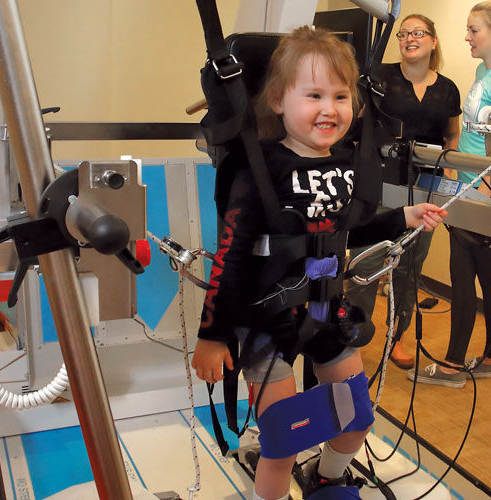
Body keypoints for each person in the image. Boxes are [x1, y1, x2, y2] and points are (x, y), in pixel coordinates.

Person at [191, 27, 447, 500]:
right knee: (284, 440)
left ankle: (328, 478)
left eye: (340, 96)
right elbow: (230, 259)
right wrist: (213, 335)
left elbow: (348, 230)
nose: (329, 109)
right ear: (276, 100)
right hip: (266, 320)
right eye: (313, 94)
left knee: (355, 421)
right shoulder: (258, 172)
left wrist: (403, 217)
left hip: (326, 313)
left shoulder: (346, 168)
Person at [344, 13, 462, 370]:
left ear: (433, 41)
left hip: (424, 187)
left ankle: (397, 339)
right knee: (366, 261)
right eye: (404, 34)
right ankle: (351, 334)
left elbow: (451, 136)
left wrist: (448, 181)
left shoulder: (447, 88)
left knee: (409, 268)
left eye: (418, 33)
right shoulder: (380, 78)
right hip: (379, 186)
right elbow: (357, 122)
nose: (410, 39)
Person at [412, 0, 491, 389]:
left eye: (474, 30)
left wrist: (483, 196)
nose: (468, 37)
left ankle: (455, 364)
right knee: (485, 279)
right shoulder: (483, 72)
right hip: (468, 190)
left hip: (483, 197)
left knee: (467, 277)